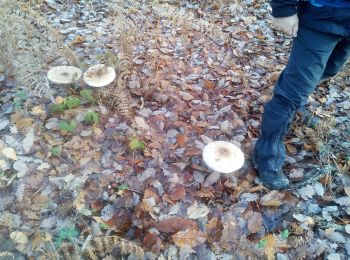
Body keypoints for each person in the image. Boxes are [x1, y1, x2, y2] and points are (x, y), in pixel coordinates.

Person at [253, 0, 350, 190]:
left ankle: (298, 103)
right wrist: (283, 8)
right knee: (291, 94)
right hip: (324, 13)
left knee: (329, 70)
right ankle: (266, 155)